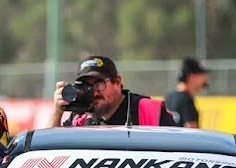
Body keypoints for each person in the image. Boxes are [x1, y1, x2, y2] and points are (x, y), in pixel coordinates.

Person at [49, 55, 177, 128]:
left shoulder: (148, 111)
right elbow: (48, 151)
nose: (93, 92)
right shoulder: (80, 118)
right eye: (86, 86)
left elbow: (179, 160)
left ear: (117, 82)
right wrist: (57, 112)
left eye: (98, 84)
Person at [165, 57, 208, 127]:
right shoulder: (186, 100)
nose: (205, 80)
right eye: (201, 76)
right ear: (192, 77)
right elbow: (191, 130)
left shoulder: (169, 97)